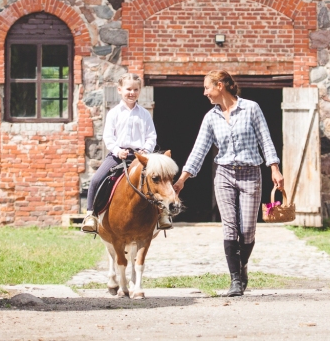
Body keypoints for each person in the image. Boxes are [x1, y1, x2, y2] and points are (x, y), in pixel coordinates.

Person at [173, 70, 283, 297]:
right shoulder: (210, 117)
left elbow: (265, 139)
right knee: (230, 227)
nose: (205, 93)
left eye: (207, 87)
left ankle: (241, 266)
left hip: (251, 173)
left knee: (248, 230)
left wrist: (275, 167)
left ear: (220, 85)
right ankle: (235, 280)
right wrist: (182, 180)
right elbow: (199, 150)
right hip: (224, 175)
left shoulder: (251, 108)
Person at [81, 73, 171, 233]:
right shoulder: (114, 113)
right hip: (118, 156)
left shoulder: (144, 113)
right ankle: (90, 216)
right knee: (95, 180)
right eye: (128, 89)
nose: (132, 92)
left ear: (140, 91)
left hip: (141, 157)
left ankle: (163, 214)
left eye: (136, 89)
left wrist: (146, 150)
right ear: (120, 90)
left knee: (159, 180)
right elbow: (108, 136)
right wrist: (117, 150)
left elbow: (152, 135)